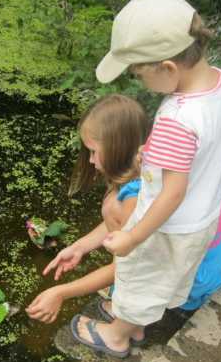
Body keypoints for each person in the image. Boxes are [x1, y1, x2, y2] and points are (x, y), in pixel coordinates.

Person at [41, 0, 221, 360]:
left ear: (167, 68)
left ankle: (117, 334)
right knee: (156, 281)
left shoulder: (176, 119)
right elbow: (202, 149)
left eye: (139, 74)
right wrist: (159, 156)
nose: (139, 82)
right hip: (203, 216)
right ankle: (133, 318)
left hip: (170, 224)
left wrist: (132, 237)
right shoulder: (220, 84)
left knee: (138, 277)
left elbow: (172, 193)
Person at [26, 93, 146, 325]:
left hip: (181, 280)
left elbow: (124, 269)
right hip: (156, 260)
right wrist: (79, 247)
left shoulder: (135, 199)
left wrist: (61, 292)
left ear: (117, 149)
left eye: (93, 151)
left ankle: (126, 324)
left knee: (129, 276)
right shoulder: (140, 171)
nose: (90, 161)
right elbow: (116, 223)